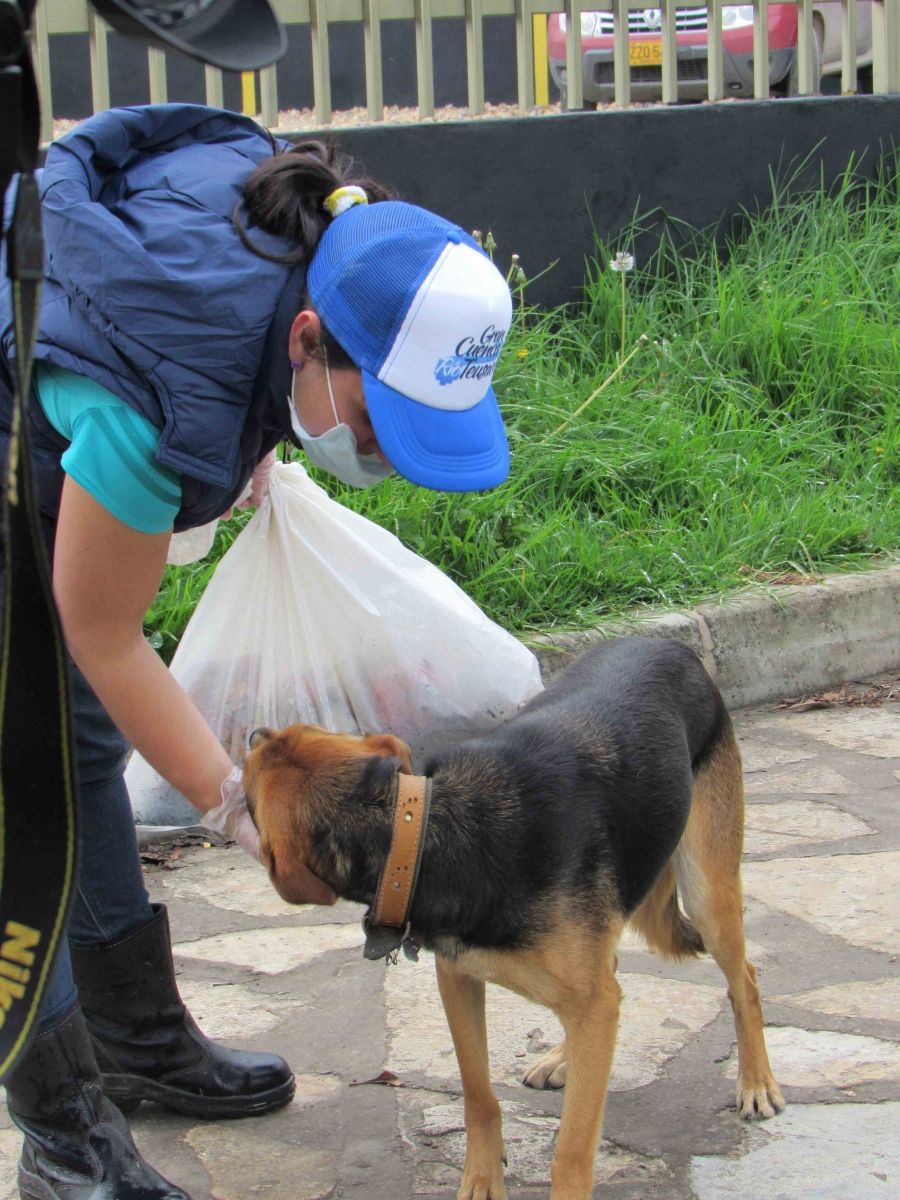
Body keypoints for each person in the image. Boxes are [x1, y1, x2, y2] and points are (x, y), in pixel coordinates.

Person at [0, 102, 514, 1199]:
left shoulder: (312, 219)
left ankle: (134, 1039)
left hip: (65, 364)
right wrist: (234, 801)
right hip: (29, 375)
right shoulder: (157, 407)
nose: (374, 456)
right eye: (376, 428)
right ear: (308, 340)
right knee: (20, 783)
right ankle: (62, 1142)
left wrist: (261, 430)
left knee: (83, 743)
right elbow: (100, 629)